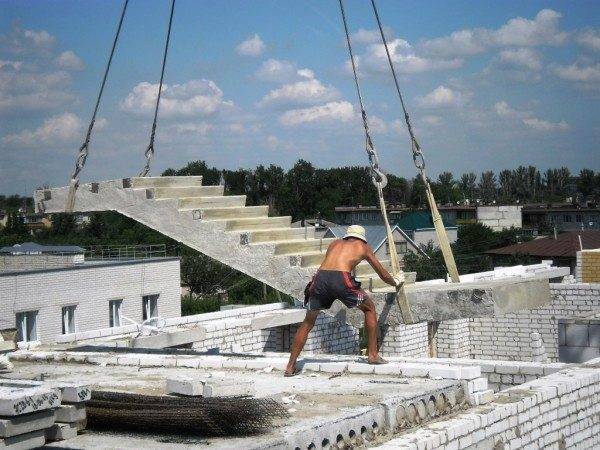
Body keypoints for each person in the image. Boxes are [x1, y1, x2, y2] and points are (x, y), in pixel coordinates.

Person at [284, 224, 400, 377]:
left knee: (307, 323)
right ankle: (372, 355)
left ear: (347, 235)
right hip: (341, 279)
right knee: (369, 308)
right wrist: (395, 281)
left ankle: (290, 366)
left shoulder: (335, 243)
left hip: (320, 279)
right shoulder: (363, 247)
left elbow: (333, 263)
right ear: (362, 238)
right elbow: (382, 274)